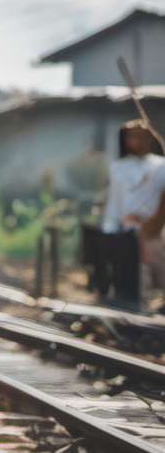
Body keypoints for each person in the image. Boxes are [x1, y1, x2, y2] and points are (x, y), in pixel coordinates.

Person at [99, 119, 165, 310]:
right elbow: (114, 204)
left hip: (154, 233)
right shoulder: (118, 168)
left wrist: (155, 221)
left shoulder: (161, 166)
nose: (139, 141)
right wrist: (109, 232)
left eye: (144, 136)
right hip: (128, 234)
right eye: (133, 136)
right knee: (135, 279)